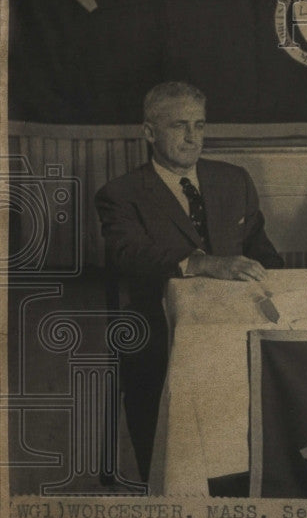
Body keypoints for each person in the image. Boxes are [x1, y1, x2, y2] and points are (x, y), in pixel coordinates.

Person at [95, 81, 283, 481]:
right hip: (160, 326)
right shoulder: (120, 193)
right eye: (179, 126)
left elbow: (262, 250)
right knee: (147, 361)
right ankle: (166, 488)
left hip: (236, 322)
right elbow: (129, 254)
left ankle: (248, 478)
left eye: (199, 125)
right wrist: (201, 263)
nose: (192, 137)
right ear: (149, 132)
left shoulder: (234, 179)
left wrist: (277, 283)